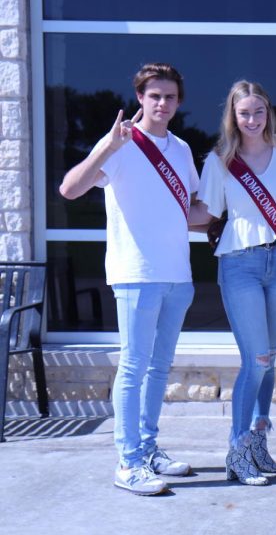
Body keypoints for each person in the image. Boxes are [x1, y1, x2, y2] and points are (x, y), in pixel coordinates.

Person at [59, 63, 198, 495]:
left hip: (178, 273)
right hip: (136, 273)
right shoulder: (119, 143)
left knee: (159, 369)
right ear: (140, 98)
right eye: (154, 95)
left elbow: (189, 211)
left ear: (178, 101)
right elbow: (69, 189)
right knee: (134, 366)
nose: (162, 103)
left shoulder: (181, 149)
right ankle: (128, 461)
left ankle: (149, 448)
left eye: (170, 96)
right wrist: (105, 148)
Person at [190, 81, 276, 485]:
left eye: (258, 112)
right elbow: (206, 211)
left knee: (271, 356)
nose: (252, 120)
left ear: (269, 112)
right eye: (244, 113)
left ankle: (259, 439)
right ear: (233, 115)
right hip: (240, 263)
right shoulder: (220, 160)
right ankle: (238, 449)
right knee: (257, 360)